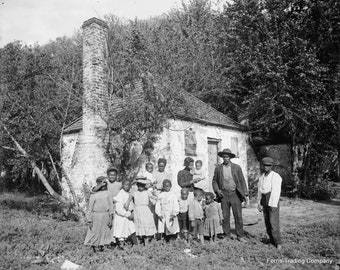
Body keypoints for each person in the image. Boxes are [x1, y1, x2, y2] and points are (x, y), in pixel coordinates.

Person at [212, 148, 248, 242]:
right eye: (224, 156)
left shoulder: (237, 167)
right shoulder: (218, 168)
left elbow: (242, 180)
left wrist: (245, 194)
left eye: (227, 156)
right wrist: (217, 190)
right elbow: (214, 181)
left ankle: (240, 235)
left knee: (238, 216)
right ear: (222, 157)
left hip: (235, 194)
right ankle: (227, 235)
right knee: (225, 216)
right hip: (224, 194)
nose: (226, 158)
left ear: (230, 157)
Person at [257, 157, 283, 250]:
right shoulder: (261, 177)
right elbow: (260, 191)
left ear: (271, 166)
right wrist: (259, 203)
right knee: (267, 220)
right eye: (264, 166)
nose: (266, 168)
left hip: (272, 199)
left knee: (273, 221)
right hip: (264, 198)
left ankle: (278, 242)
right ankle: (271, 239)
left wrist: (272, 204)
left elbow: (276, 191)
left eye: (268, 166)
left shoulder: (275, 176)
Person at [84, 176, 113, 252]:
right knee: (95, 231)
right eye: (102, 184)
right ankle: (94, 247)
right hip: (96, 215)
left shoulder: (108, 193)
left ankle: (103, 246)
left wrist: (110, 217)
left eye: (105, 184)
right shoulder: (93, 194)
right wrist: (89, 220)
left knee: (105, 231)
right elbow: (90, 209)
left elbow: (111, 206)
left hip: (105, 215)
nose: (104, 186)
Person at [132, 177, 157, 245]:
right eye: (139, 185)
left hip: (145, 210)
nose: (141, 187)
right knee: (139, 226)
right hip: (137, 211)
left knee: (146, 225)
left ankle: (147, 241)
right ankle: (140, 242)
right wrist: (134, 181)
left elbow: (154, 198)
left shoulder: (147, 192)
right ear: (137, 185)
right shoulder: (135, 193)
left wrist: (154, 189)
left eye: (142, 185)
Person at [113, 180, 137, 248]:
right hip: (122, 216)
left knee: (132, 229)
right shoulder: (120, 194)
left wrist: (131, 213)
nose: (127, 186)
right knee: (121, 232)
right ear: (122, 185)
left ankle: (136, 245)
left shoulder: (128, 193)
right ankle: (121, 246)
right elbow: (119, 209)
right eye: (126, 185)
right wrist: (127, 214)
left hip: (128, 215)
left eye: (129, 185)